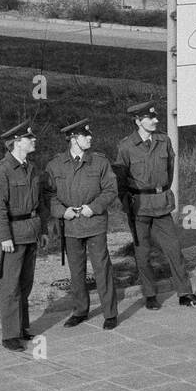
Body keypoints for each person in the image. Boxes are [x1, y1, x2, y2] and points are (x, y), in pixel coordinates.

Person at [114, 101, 196, 306]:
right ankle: (149, 295)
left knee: (174, 250)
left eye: (155, 116)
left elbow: (170, 168)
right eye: (150, 118)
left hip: (161, 205)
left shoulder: (163, 141)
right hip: (138, 207)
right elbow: (120, 181)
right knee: (143, 253)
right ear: (138, 121)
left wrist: (161, 191)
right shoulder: (126, 146)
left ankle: (185, 293)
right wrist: (128, 205)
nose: (156, 120)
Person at [47, 119, 119, 331]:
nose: (90, 138)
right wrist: (62, 211)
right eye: (85, 135)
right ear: (73, 139)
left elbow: (110, 190)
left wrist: (94, 207)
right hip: (70, 225)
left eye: (89, 134)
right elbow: (49, 195)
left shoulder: (100, 162)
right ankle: (80, 310)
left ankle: (110, 313)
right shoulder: (55, 165)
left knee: (101, 268)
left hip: (94, 222)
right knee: (76, 271)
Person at [0, 120, 43, 352]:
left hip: (30, 231)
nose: (34, 140)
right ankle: (10, 334)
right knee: (10, 286)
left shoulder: (30, 168)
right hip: (13, 235)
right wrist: (4, 237)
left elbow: (39, 203)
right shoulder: (0, 171)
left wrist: (43, 231)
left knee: (25, 284)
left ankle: (21, 327)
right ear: (17, 142)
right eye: (29, 138)